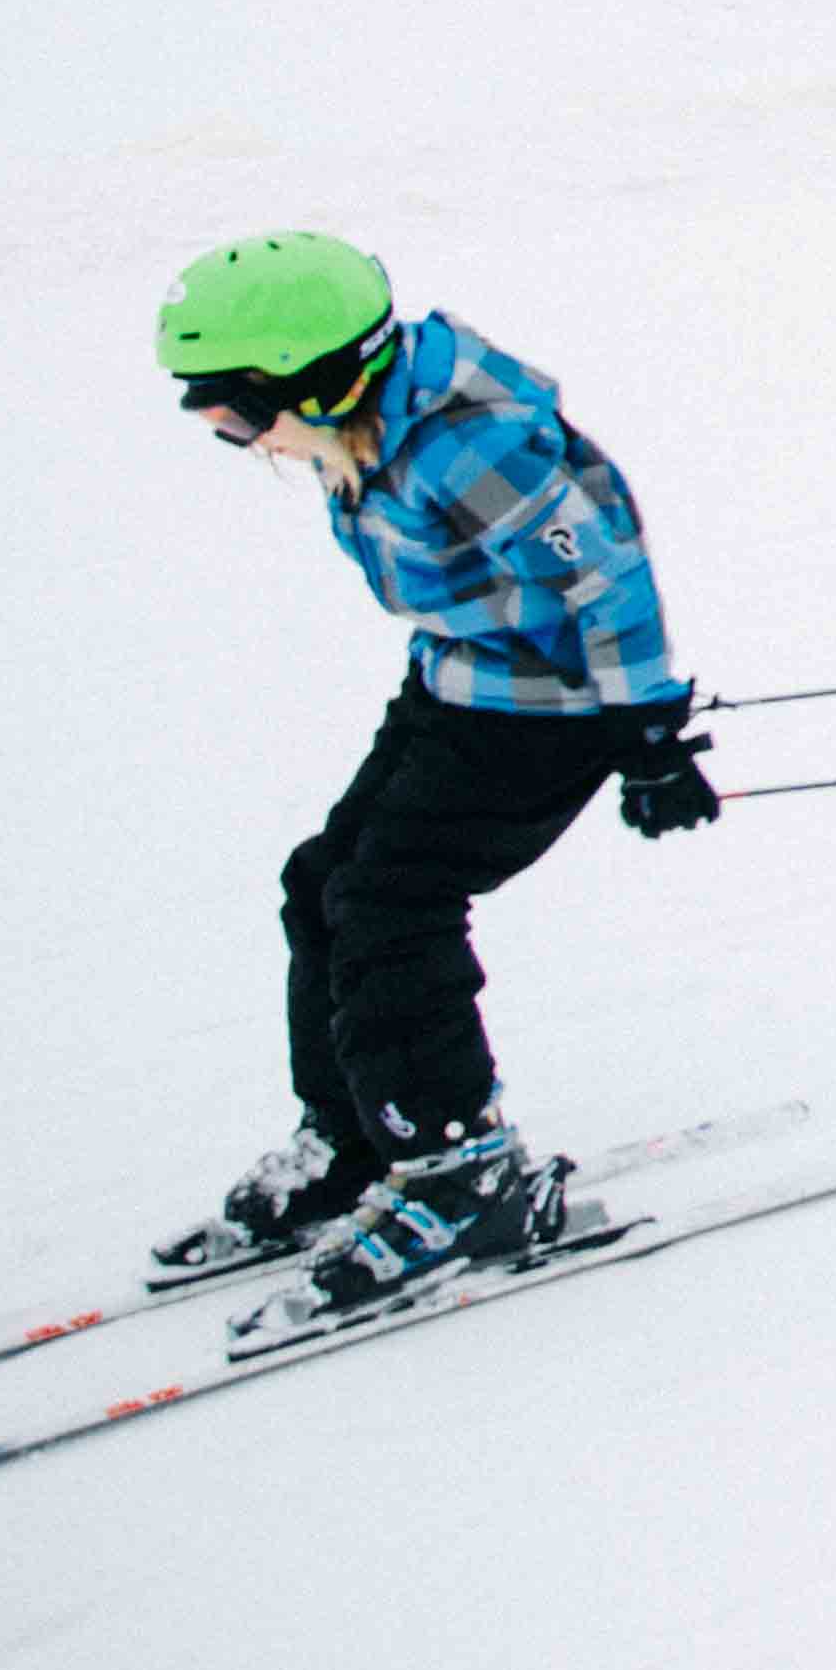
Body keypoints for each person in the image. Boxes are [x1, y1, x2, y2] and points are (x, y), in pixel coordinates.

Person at [149, 234, 721, 1331]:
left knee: (392, 906)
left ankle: (466, 1177)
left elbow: (606, 577)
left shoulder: (470, 447)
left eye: (236, 414)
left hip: (550, 711)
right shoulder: (374, 419)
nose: (233, 439)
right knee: (324, 881)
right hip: (459, 684)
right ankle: (362, 1138)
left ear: (319, 379)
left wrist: (648, 731)